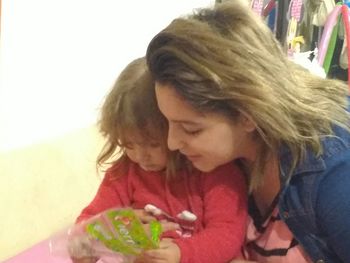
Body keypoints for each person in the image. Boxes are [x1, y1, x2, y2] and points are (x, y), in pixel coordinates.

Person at [145, 2, 350, 263]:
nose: (172, 143)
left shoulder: (335, 172)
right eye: (167, 123)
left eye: (191, 129)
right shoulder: (222, 160)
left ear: (248, 114)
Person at [73, 57, 248, 263]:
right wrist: (101, 234)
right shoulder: (124, 173)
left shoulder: (213, 170)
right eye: (128, 145)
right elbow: (84, 228)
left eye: (152, 144)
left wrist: (181, 253)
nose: (140, 156)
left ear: (175, 129)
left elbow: (227, 234)